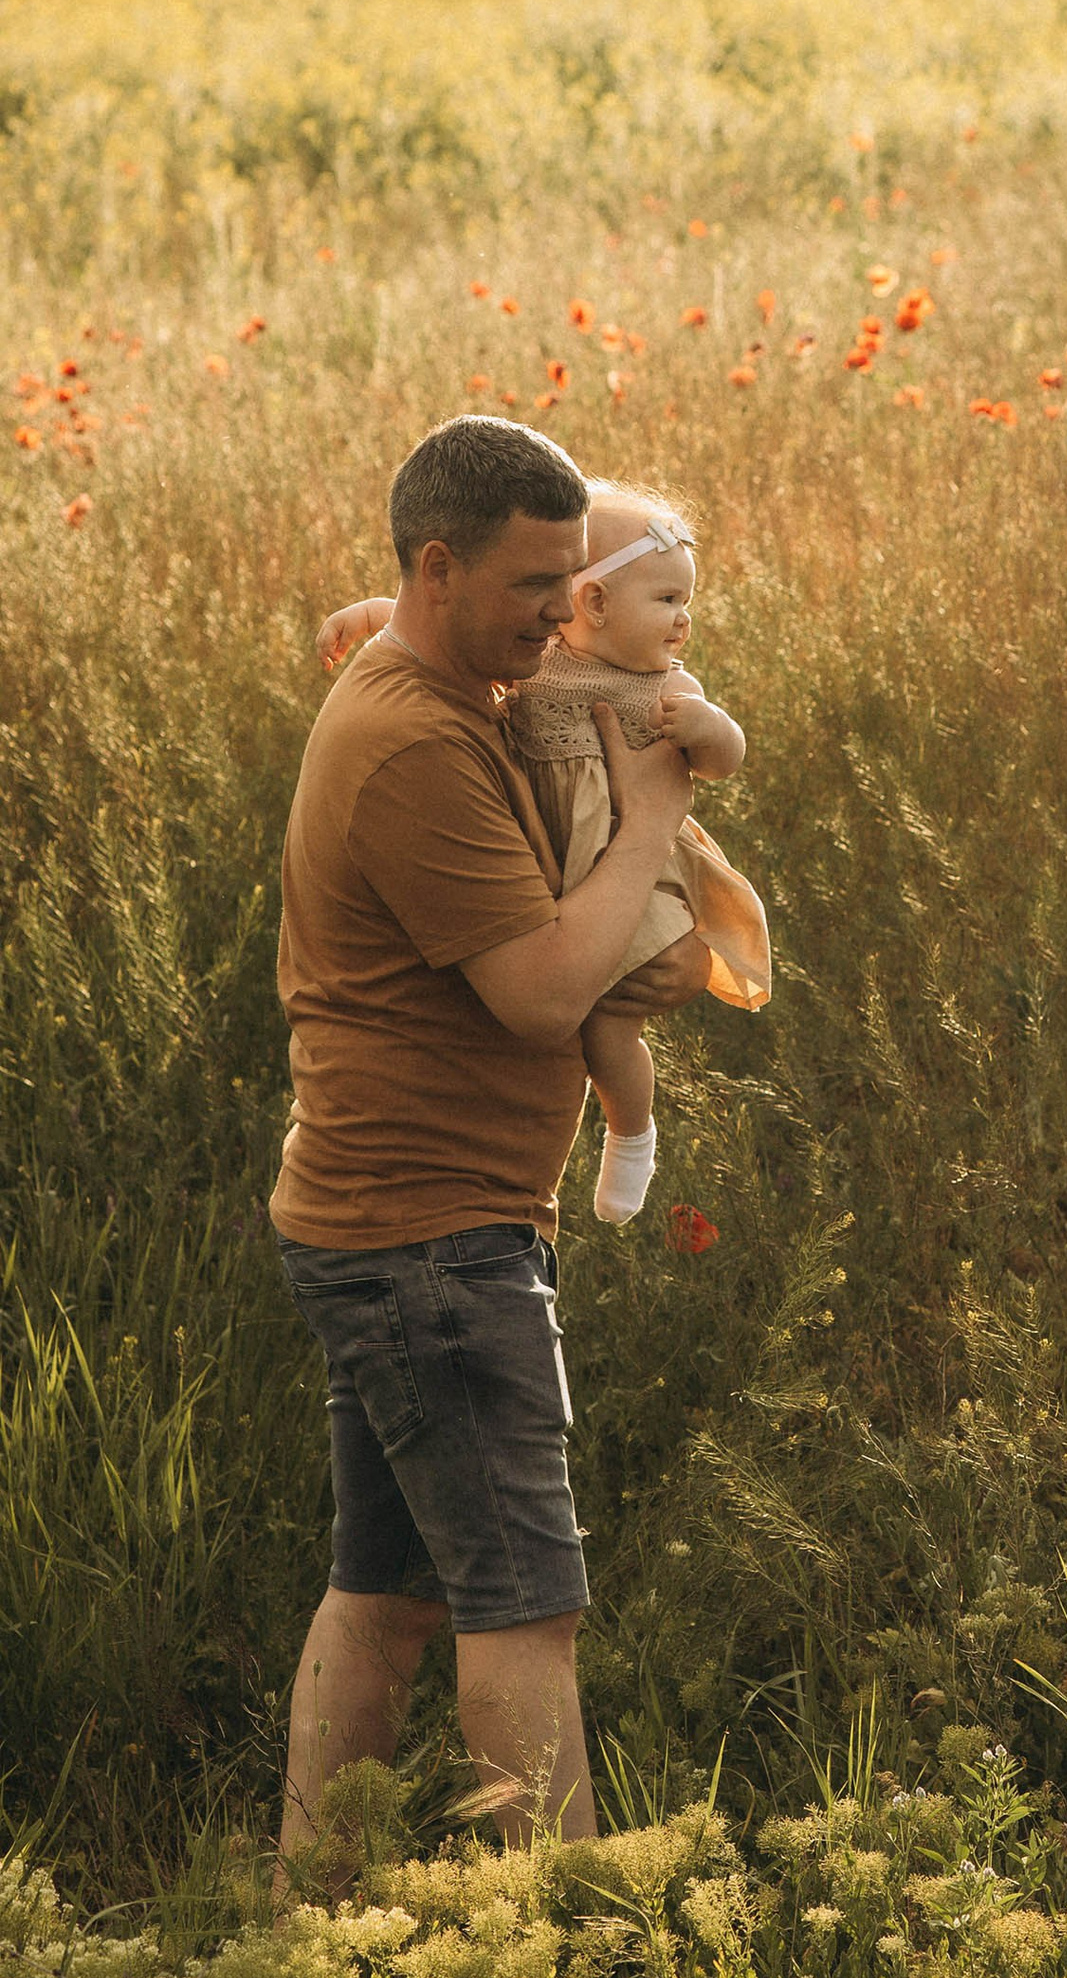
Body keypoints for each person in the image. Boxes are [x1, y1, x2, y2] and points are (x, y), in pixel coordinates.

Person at [269, 416, 707, 1882]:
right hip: (429, 1240)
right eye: (531, 584)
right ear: (438, 568)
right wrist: (654, 818)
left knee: (387, 1596)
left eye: (574, 580)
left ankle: (319, 1901)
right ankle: (562, 1943)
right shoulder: (411, 741)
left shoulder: (453, 684)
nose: (560, 609)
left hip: (398, 1222)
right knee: (525, 1608)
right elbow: (538, 993)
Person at [317, 479, 768, 1226]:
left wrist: (708, 731)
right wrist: (367, 616)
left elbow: (725, 757)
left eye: (686, 600)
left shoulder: (665, 687)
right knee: (580, 996)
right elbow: (425, 615)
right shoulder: (541, 659)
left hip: (621, 868)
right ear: (594, 603)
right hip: (566, 875)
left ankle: (631, 1134)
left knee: (609, 1022)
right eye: (667, 599)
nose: (685, 618)